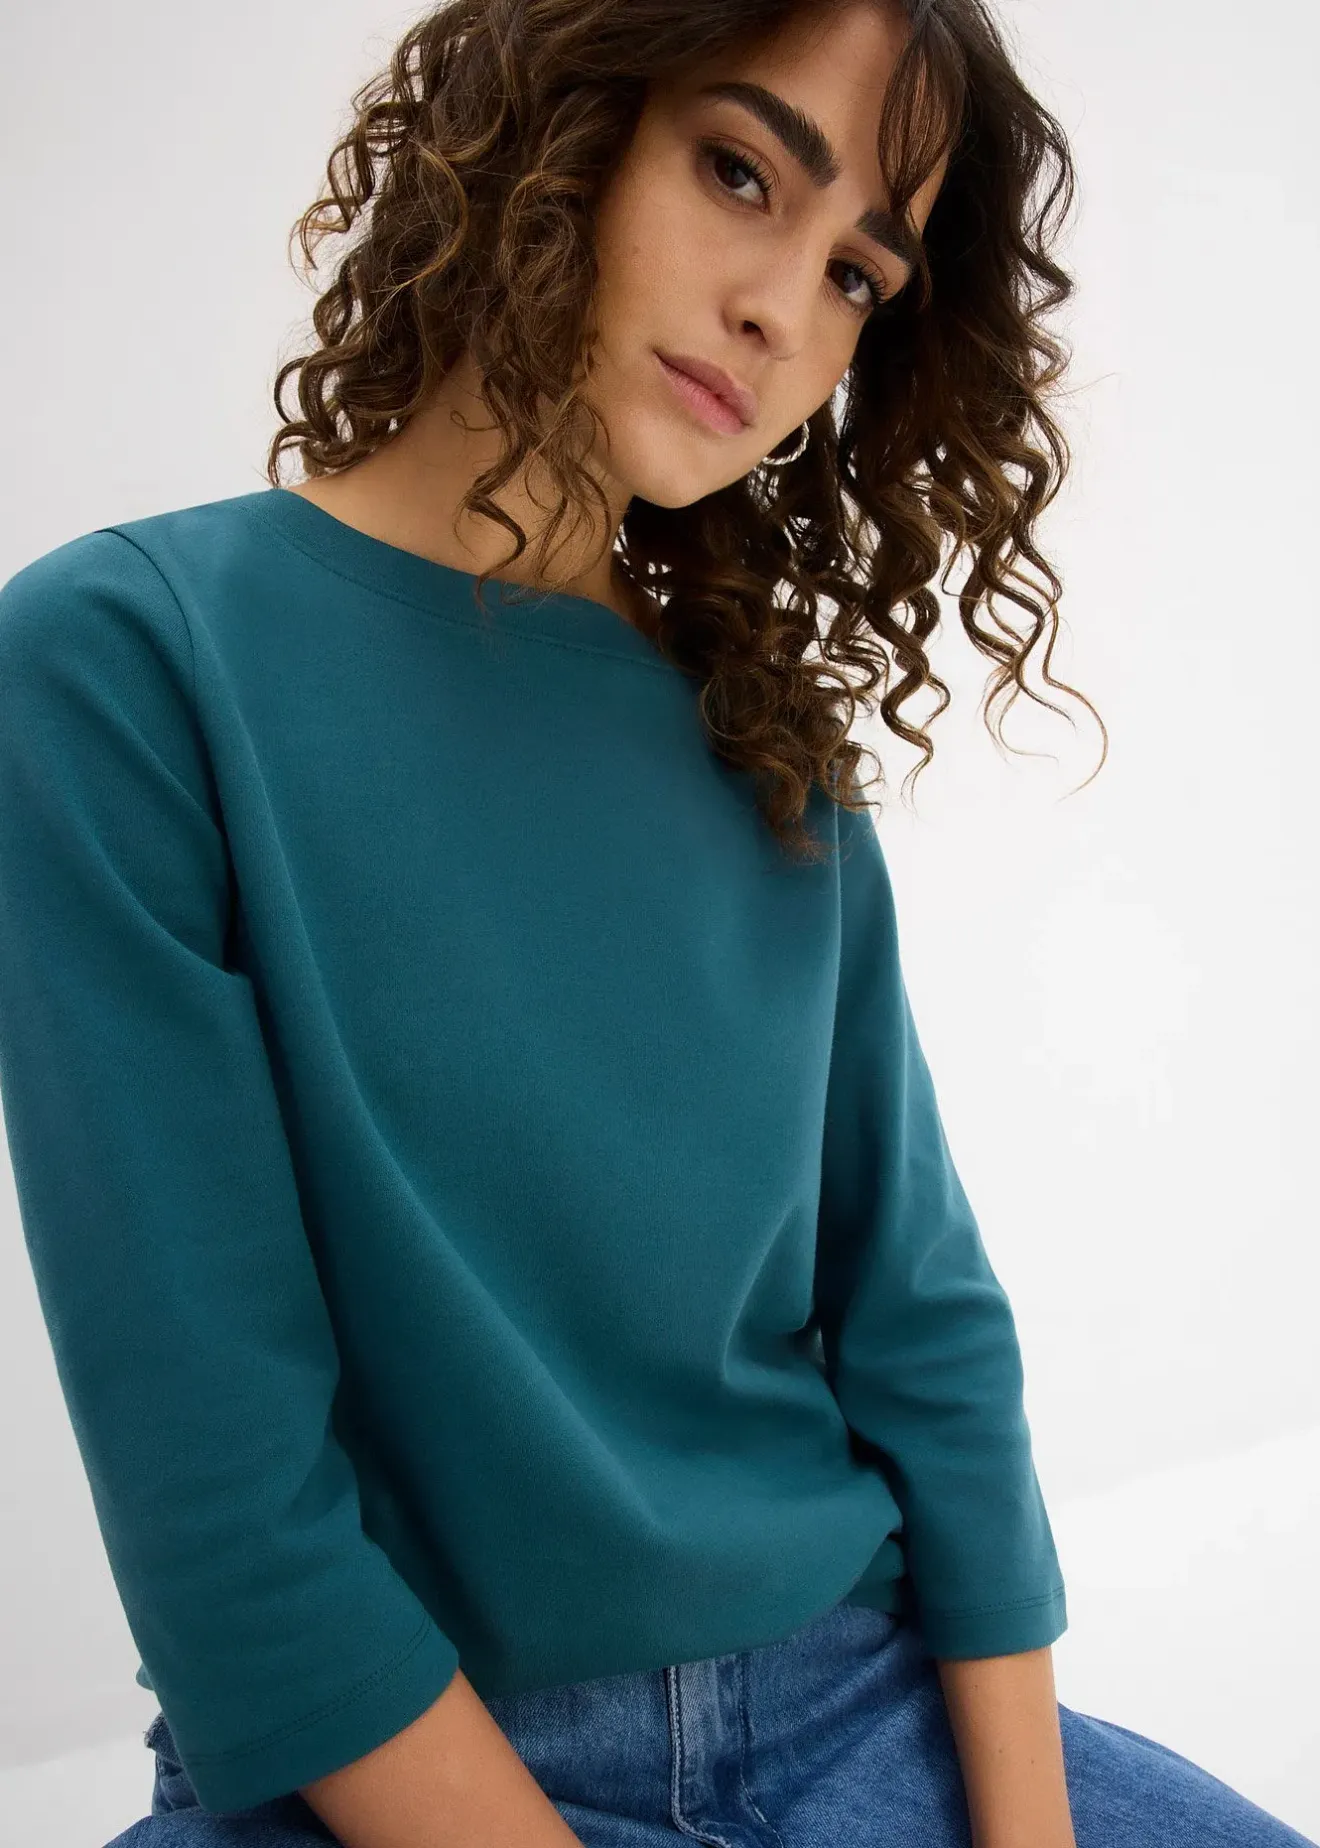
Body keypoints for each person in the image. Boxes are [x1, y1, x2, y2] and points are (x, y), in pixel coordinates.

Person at [0, 0, 1311, 1844]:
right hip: (380, 1784)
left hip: (850, 1715)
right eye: (740, 171)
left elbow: (922, 1323)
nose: (784, 313)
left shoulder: (768, 752)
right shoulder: (130, 667)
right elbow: (229, 1515)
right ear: (560, 124)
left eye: (857, 273)